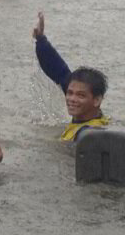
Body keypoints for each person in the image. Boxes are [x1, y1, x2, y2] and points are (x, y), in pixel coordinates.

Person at [32, 12, 109, 141]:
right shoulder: (87, 116)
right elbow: (59, 71)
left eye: (81, 95)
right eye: (70, 93)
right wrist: (40, 39)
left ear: (97, 100)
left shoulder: (91, 136)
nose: (72, 99)